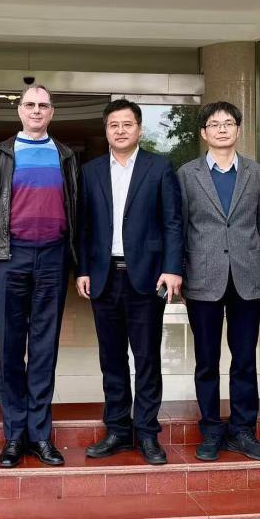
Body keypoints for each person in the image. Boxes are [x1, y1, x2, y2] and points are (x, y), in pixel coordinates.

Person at [0, 84, 79, 468]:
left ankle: (40, 434)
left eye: (43, 105)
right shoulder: (0, 154)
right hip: (10, 256)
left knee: (45, 348)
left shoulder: (65, 155)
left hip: (53, 257)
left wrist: (79, 264)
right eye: (30, 104)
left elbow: (78, 211)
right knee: (11, 347)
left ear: (52, 112)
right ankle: (14, 435)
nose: (36, 110)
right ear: (19, 110)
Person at [77, 99, 183, 466]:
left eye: (127, 124)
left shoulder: (159, 167)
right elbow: (84, 226)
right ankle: (118, 430)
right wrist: (83, 269)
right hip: (104, 276)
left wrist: (172, 268)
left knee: (147, 357)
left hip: (147, 277)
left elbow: (172, 221)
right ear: (106, 131)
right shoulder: (90, 171)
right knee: (111, 358)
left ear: (139, 128)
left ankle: (147, 432)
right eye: (113, 125)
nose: (120, 130)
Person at [177, 101, 260, 463]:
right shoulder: (187, 175)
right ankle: (211, 429)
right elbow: (181, 226)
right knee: (206, 359)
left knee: (245, 358)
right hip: (203, 278)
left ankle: (244, 430)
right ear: (204, 133)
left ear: (238, 129)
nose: (221, 129)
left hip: (247, 276)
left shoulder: (257, 174)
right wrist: (180, 273)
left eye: (228, 123)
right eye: (214, 124)